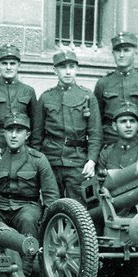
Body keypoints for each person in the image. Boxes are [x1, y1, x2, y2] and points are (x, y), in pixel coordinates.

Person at [0, 113, 59, 276]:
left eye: (19, 131)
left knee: (27, 219)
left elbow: (51, 195)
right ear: (4, 133)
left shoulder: (38, 159)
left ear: (27, 134)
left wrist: (46, 220)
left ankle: (25, 273)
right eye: (9, 130)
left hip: (27, 206)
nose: (14, 135)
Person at [31, 50, 102, 200]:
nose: (68, 71)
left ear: (77, 69)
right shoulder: (45, 97)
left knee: (79, 208)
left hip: (77, 162)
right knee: (51, 205)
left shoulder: (87, 96)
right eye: (63, 67)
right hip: (50, 161)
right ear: (55, 70)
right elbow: (37, 135)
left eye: (71, 66)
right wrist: (37, 162)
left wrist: (92, 160)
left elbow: (95, 133)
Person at [0, 44, 40, 172]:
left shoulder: (28, 91)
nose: (8, 67)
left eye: (12, 63)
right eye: (4, 63)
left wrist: (32, 150)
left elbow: (35, 125)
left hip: (22, 149)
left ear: (19, 65)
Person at [93, 32, 138, 143]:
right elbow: (96, 120)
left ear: (136, 53)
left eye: (126, 50)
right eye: (118, 51)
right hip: (110, 141)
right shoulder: (103, 83)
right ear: (113, 53)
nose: (121, 55)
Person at [97, 102, 138, 171]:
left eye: (132, 121)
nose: (128, 125)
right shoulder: (107, 153)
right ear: (114, 126)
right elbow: (100, 179)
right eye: (123, 121)